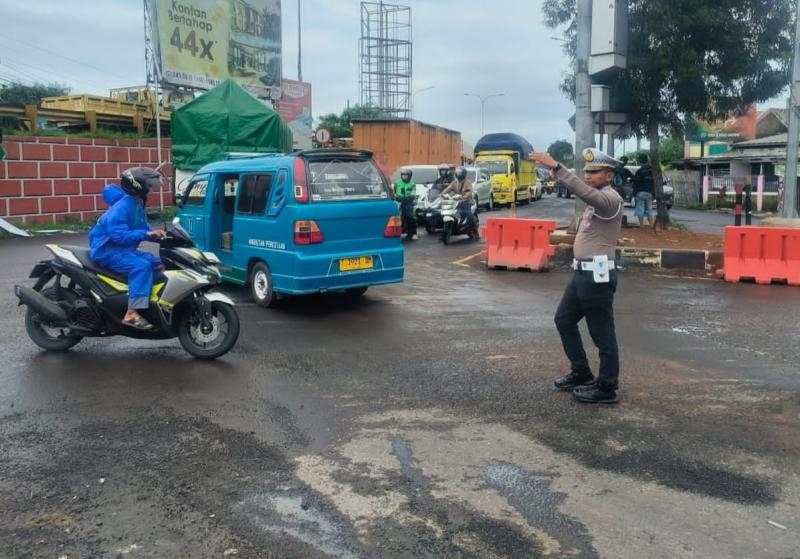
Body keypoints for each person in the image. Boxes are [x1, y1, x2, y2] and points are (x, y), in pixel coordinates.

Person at [528, 148, 624, 404]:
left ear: (609, 175)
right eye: (587, 172)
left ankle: (607, 387)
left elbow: (584, 191)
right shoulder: (596, 203)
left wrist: (558, 168)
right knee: (564, 320)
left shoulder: (610, 199)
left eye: (594, 171)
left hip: (597, 277)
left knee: (602, 333)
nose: (589, 175)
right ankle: (581, 370)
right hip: (582, 275)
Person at [88, 167, 167, 330]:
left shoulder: (136, 204)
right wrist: (147, 234)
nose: (152, 190)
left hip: (123, 250)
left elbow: (143, 227)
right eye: (150, 186)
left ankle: (150, 302)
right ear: (139, 187)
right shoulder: (122, 206)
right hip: (108, 251)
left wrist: (161, 235)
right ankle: (131, 312)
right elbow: (119, 236)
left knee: (158, 262)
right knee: (141, 267)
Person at [441, 166, 478, 239]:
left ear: (463, 174)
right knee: (446, 212)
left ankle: (475, 231)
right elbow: (447, 189)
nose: (458, 174)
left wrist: (464, 197)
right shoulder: (454, 182)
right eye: (457, 172)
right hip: (455, 202)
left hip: (466, 202)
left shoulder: (468, 183)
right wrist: (442, 194)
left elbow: (469, 192)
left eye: (460, 173)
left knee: (469, 215)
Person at [393, 167, 418, 240]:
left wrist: (410, 196)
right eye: (403, 175)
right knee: (397, 218)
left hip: (408, 202)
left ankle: (413, 233)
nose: (405, 177)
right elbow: (394, 191)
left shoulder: (412, 183)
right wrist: (395, 196)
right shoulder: (397, 182)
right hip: (398, 202)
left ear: (409, 176)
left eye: (406, 175)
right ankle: (397, 233)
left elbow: (413, 192)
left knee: (410, 217)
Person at [632, 153, 655, 229]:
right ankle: (651, 225)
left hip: (641, 192)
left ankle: (641, 226)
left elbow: (636, 183)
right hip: (650, 192)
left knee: (640, 209)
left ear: (640, 161)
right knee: (649, 209)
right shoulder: (653, 170)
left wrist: (634, 194)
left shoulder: (639, 171)